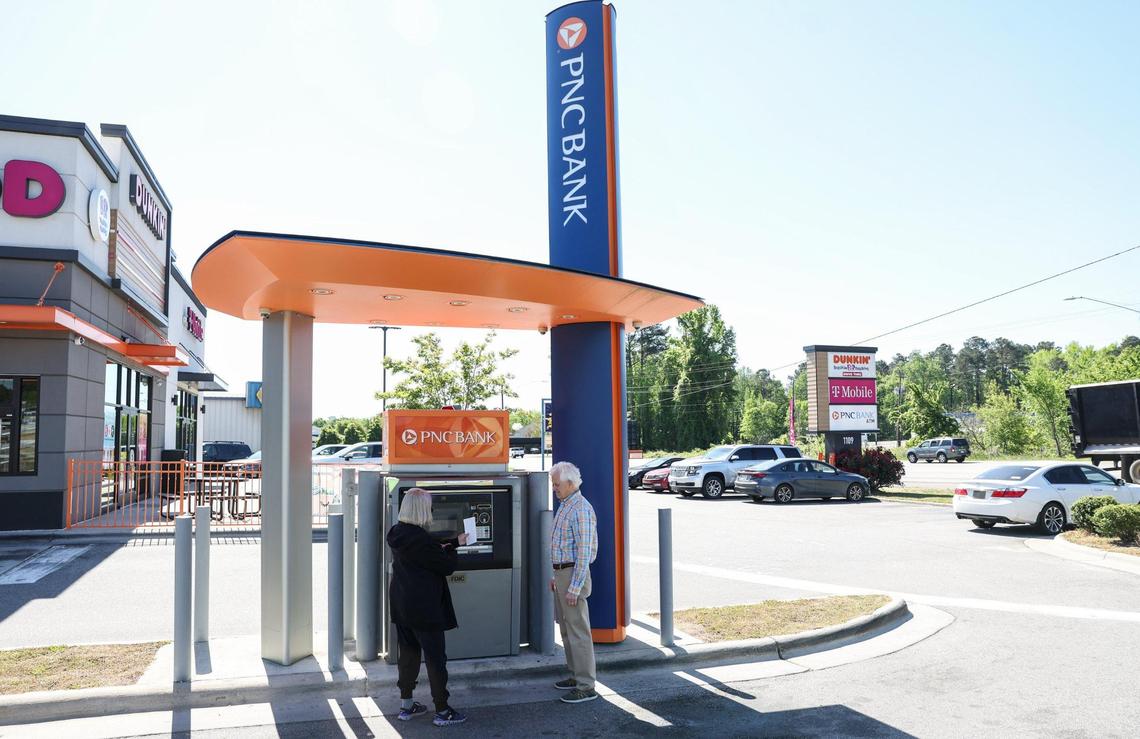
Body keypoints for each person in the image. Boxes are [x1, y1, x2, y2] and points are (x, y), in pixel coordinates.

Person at [387, 488, 469, 726]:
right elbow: (446, 566)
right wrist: (455, 550)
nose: (432, 510)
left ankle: (406, 705)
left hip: (402, 604)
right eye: (430, 506)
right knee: (435, 659)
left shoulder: (398, 533)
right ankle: (442, 711)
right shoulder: (421, 539)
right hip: (425, 607)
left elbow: (427, 552)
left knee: (409, 656)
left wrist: (453, 541)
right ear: (422, 509)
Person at [549, 460, 599, 704]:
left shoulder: (580, 508)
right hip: (562, 575)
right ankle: (575, 675)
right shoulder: (566, 504)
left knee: (578, 632)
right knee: (567, 631)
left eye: (557, 484)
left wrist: (574, 586)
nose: (554, 488)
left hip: (572, 576)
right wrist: (555, 575)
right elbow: (561, 546)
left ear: (570, 483)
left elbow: (583, 553)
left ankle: (586, 685)